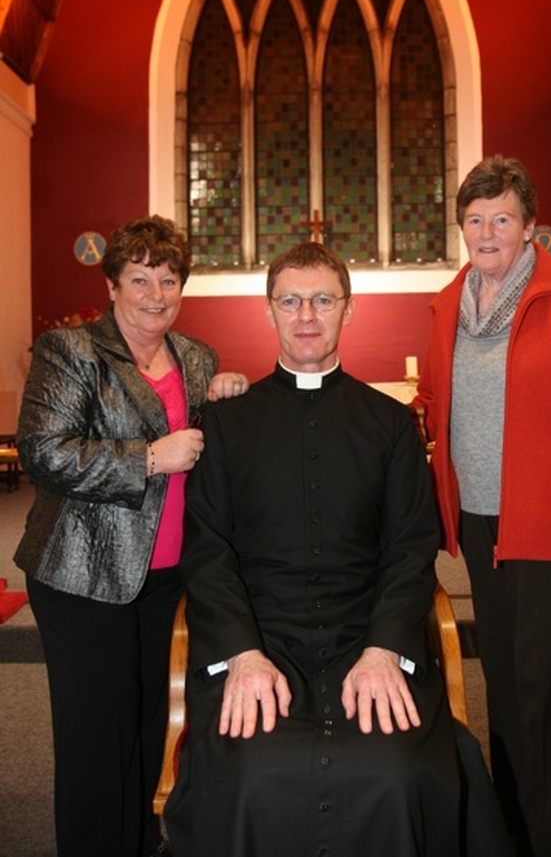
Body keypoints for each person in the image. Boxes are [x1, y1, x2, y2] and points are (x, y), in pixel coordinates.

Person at [164, 241, 512, 857]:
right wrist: (241, 654)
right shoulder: (225, 423)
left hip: (366, 637)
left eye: (323, 300)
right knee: (252, 773)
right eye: (291, 301)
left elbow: (411, 549)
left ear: (348, 311)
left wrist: (385, 650)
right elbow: (207, 551)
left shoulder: (390, 423)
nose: (306, 316)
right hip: (258, 640)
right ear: (268, 311)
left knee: (397, 770)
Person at [414, 156, 551, 857]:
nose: (486, 230)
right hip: (479, 526)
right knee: (503, 689)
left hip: (548, 530)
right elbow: (436, 406)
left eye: (501, 218)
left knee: (546, 697)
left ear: (530, 226)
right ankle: (509, 837)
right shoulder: (451, 301)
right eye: (474, 219)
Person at [14, 215, 248, 857]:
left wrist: (226, 395)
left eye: (168, 279)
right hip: (85, 575)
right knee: (97, 732)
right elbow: (43, 452)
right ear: (113, 284)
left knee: (148, 721)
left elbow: (203, 442)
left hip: (167, 573)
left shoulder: (197, 357)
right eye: (139, 278)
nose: (155, 294)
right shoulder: (71, 352)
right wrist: (147, 458)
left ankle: (140, 840)